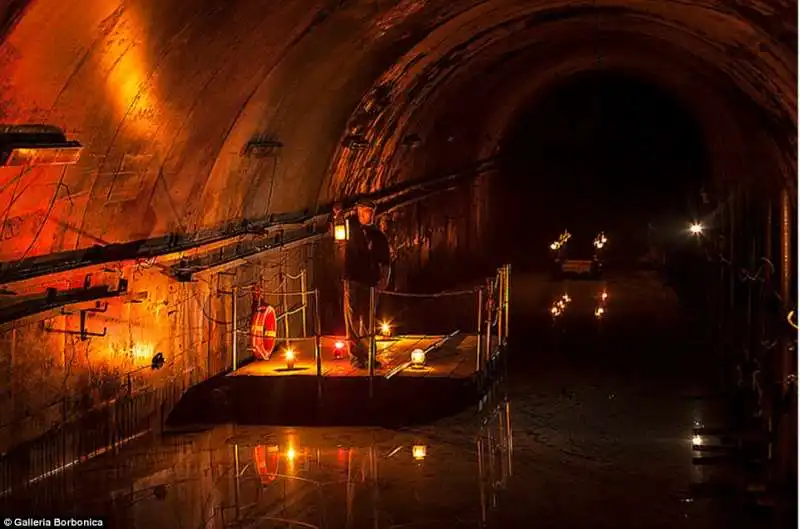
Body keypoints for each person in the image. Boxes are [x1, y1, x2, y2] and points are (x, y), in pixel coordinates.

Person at [343, 199, 391, 369]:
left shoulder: (378, 236)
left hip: (370, 282)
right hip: (353, 280)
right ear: (358, 212)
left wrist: (384, 279)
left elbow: (385, 260)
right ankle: (357, 356)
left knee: (368, 319)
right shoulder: (350, 230)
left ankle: (370, 355)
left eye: (371, 212)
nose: (368, 215)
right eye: (365, 212)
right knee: (353, 318)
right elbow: (335, 225)